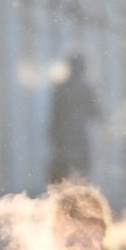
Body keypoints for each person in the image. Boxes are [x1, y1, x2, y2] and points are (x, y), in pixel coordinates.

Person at [47, 53, 101, 183]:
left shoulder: (61, 88)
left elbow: (55, 114)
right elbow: (95, 113)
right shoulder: (86, 88)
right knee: (82, 173)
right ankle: (80, 199)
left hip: (63, 137)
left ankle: (63, 200)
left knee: (63, 174)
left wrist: (53, 135)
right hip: (80, 137)